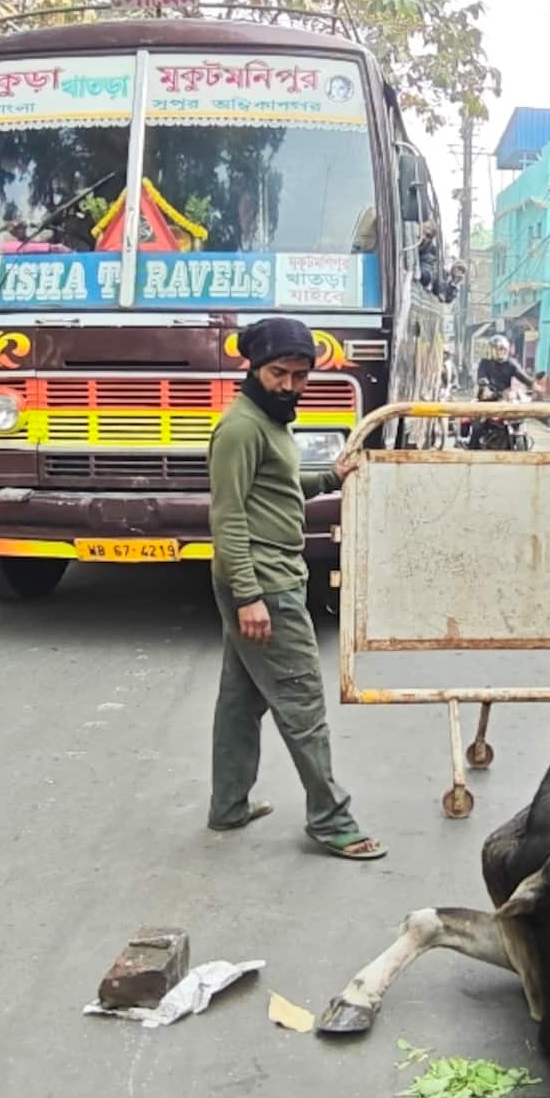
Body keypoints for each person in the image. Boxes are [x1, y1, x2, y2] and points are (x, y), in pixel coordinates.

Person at [207, 316, 384, 861]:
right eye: (278, 372)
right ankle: (332, 820)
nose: (288, 384)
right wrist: (249, 597)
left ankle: (228, 805)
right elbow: (228, 519)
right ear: (253, 368)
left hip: (266, 577)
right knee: (302, 701)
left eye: (299, 374)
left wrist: (331, 476)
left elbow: (280, 486)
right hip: (266, 582)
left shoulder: (270, 423)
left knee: (242, 701)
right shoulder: (240, 429)